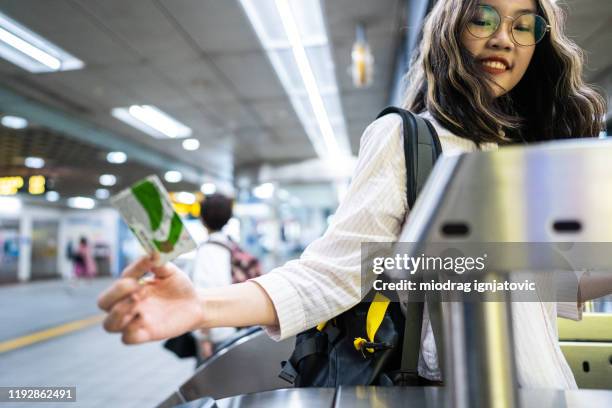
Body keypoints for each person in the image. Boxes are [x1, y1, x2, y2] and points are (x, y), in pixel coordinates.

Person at [98, 0, 608, 389]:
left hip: (545, 388)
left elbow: (542, 287)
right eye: (484, 18)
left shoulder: (529, 151)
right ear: (452, 28)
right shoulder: (411, 140)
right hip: (451, 391)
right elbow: (333, 273)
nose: (504, 38)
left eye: (524, 25)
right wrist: (201, 307)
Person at [191, 194, 237, 359]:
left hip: (215, 333)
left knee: (207, 381)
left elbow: (204, 294)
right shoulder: (230, 245)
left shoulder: (207, 250)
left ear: (202, 218)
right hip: (232, 326)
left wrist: (204, 339)